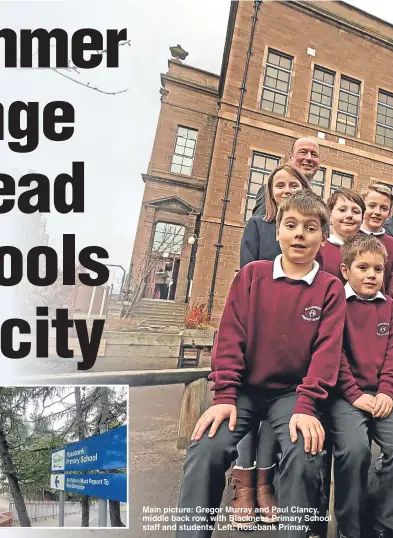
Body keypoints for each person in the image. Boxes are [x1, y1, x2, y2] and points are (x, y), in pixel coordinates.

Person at [176, 191, 346, 538]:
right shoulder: (251, 276)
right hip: (244, 391)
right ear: (278, 232)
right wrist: (224, 396)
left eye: (310, 227)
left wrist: (307, 405)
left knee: (305, 452)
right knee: (206, 447)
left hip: (293, 396)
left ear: (323, 238)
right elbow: (229, 339)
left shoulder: (330, 289)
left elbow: (327, 353)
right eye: (291, 225)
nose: (300, 233)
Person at [234, 164, 310, 527]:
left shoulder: (307, 233)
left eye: (293, 184)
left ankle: (265, 485)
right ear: (270, 190)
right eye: (279, 184)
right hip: (257, 325)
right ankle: (243, 486)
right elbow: (247, 276)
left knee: (274, 413)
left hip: (290, 329)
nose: (286, 189)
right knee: (245, 407)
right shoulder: (258, 226)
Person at [329, 234, 393, 538]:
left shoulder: (390, 307)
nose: (371, 275)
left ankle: (384, 521)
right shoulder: (335, 303)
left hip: (381, 394)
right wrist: (354, 395)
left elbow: (392, 353)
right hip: (345, 397)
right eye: (363, 268)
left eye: (378, 270)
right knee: (354, 451)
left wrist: (386, 391)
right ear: (345, 270)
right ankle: (349, 528)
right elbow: (334, 354)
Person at [253, 137, 320, 218]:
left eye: (314, 155)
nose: (309, 158)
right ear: (291, 158)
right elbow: (261, 226)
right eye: (303, 152)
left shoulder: (315, 200)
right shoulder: (271, 192)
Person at [318, 188, 365, 282]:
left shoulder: (368, 251)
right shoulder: (319, 249)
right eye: (342, 210)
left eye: (355, 212)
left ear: (362, 219)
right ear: (329, 215)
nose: (349, 215)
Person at [359, 183, 393, 297]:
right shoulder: (349, 238)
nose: (377, 212)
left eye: (384, 208)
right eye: (372, 206)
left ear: (389, 213)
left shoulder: (391, 244)